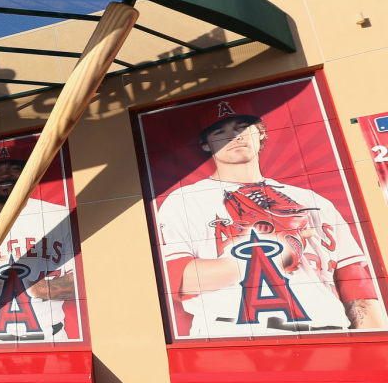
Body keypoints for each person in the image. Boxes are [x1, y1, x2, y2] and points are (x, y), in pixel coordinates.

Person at [156, 96, 388, 336]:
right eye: (219, 132)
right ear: (205, 144)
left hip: (328, 329)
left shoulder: (312, 201)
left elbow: (353, 279)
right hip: (233, 335)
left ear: (261, 133)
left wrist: (376, 339)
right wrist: (274, 252)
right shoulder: (186, 200)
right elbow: (178, 281)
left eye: (242, 127)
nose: (234, 136)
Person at [0, 140, 79, 344]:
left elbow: (78, 284)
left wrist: (32, 286)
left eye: (14, 168)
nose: (5, 175)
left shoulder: (58, 216)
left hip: (50, 339)